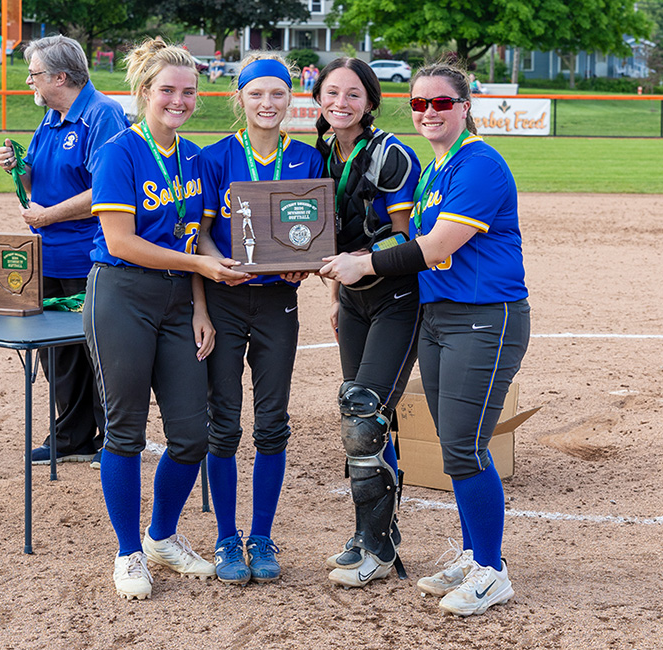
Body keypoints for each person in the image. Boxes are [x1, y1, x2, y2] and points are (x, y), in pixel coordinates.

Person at [319, 61, 531, 617]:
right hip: (442, 318)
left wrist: (363, 263)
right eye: (419, 104)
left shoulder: (479, 164)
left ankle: (491, 570)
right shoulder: (439, 168)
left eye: (441, 103)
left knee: (463, 447)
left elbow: (434, 249)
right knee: (456, 444)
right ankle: (474, 553)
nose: (429, 112)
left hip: (486, 318)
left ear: (465, 107)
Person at [85, 38, 250, 600]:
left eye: (188, 91)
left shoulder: (195, 158)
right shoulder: (118, 151)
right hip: (122, 295)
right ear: (143, 93)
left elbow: (198, 233)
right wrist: (198, 264)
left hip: (181, 301)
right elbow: (121, 241)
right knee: (125, 430)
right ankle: (128, 552)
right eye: (167, 91)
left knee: (190, 435)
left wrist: (202, 303)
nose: (178, 101)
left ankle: (160, 537)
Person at [197, 53, 323, 585]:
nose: (267, 104)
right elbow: (200, 237)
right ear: (240, 99)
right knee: (222, 423)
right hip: (225, 299)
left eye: (277, 94)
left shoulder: (310, 159)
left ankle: (263, 535)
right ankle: (228, 537)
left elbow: (314, 235)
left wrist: (304, 266)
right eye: (256, 94)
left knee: (272, 422)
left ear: (290, 97)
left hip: (278, 304)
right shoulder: (216, 156)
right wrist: (213, 276)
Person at [310, 57, 422, 588]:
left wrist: (359, 267)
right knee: (360, 419)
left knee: (364, 412)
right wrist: (336, 294)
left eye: (353, 95)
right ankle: (370, 536)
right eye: (331, 93)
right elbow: (331, 237)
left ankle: (377, 549)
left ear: (371, 102)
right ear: (317, 99)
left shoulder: (391, 155)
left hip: (396, 298)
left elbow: (406, 240)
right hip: (354, 302)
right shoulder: (321, 152)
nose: (341, 103)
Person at [0, 36, 129, 468]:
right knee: (59, 355)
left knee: (102, 351)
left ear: (60, 76)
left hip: (90, 253)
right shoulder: (52, 118)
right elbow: (39, 184)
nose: (29, 81)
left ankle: (114, 437)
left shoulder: (101, 114)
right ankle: (72, 435)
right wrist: (19, 168)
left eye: (33, 73)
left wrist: (50, 215)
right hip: (49, 253)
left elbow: (107, 189)